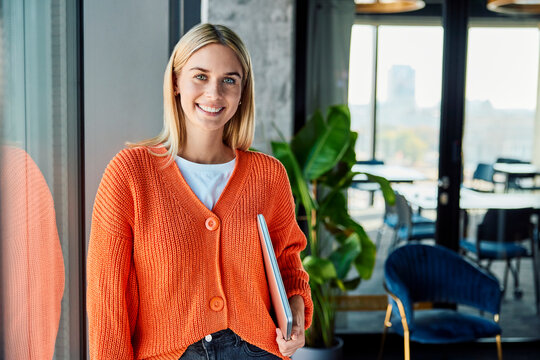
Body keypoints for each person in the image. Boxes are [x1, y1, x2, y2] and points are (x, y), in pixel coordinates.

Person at [86, 23, 313, 360]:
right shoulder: (131, 174)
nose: (214, 94)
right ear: (176, 82)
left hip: (257, 351)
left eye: (229, 80)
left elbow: (288, 267)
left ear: (242, 91)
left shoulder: (268, 175)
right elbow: (107, 296)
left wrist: (295, 317)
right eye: (200, 76)